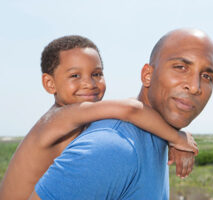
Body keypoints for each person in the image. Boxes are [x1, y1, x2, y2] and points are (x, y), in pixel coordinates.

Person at [0, 35, 199, 200]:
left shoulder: (78, 117)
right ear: (50, 83)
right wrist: (178, 139)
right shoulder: (57, 118)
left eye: (96, 74)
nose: (89, 83)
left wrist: (173, 132)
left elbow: (133, 109)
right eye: (75, 76)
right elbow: (131, 110)